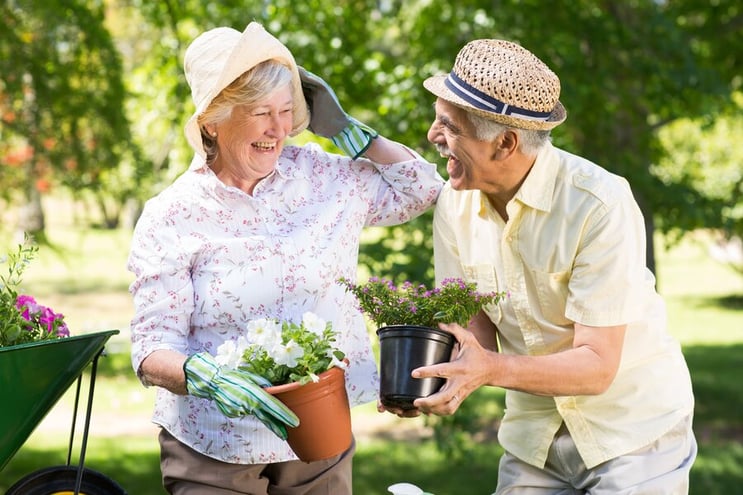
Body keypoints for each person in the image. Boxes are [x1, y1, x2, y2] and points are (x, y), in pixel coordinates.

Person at [127, 22, 443, 495]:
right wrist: (206, 377)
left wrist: (348, 131)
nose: (278, 130)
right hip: (213, 444)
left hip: (319, 437)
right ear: (212, 121)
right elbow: (152, 348)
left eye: (287, 111)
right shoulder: (172, 215)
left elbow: (422, 189)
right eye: (260, 113)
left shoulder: (324, 178)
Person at [408, 39, 697, 493]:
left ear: (505, 143)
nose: (432, 135)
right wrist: (425, 379)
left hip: (633, 434)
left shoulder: (598, 204)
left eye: (450, 126)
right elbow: (472, 332)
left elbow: (597, 366)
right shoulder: (453, 205)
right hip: (533, 440)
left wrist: (488, 369)